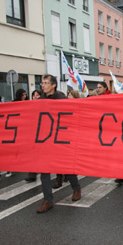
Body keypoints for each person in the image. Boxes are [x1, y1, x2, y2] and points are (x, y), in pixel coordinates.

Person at [36, 74, 82, 213]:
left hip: (61, 139)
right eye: (42, 83)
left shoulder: (62, 99)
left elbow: (72, 117)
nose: (42, 85)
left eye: (45, 83)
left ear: (53, 85)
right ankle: (48, 200)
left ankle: (76, 188)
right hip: (46, 139)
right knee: (44, 170)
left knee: (67, 167)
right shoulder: (40, 100)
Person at [25, 90, 43, 182]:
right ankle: (32, 173)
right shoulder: (29, 107)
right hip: (34, 135)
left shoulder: (45, 106)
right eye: (34, 96)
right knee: (34, 155)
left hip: (44, 136)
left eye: (37, 95)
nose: (35, 97)